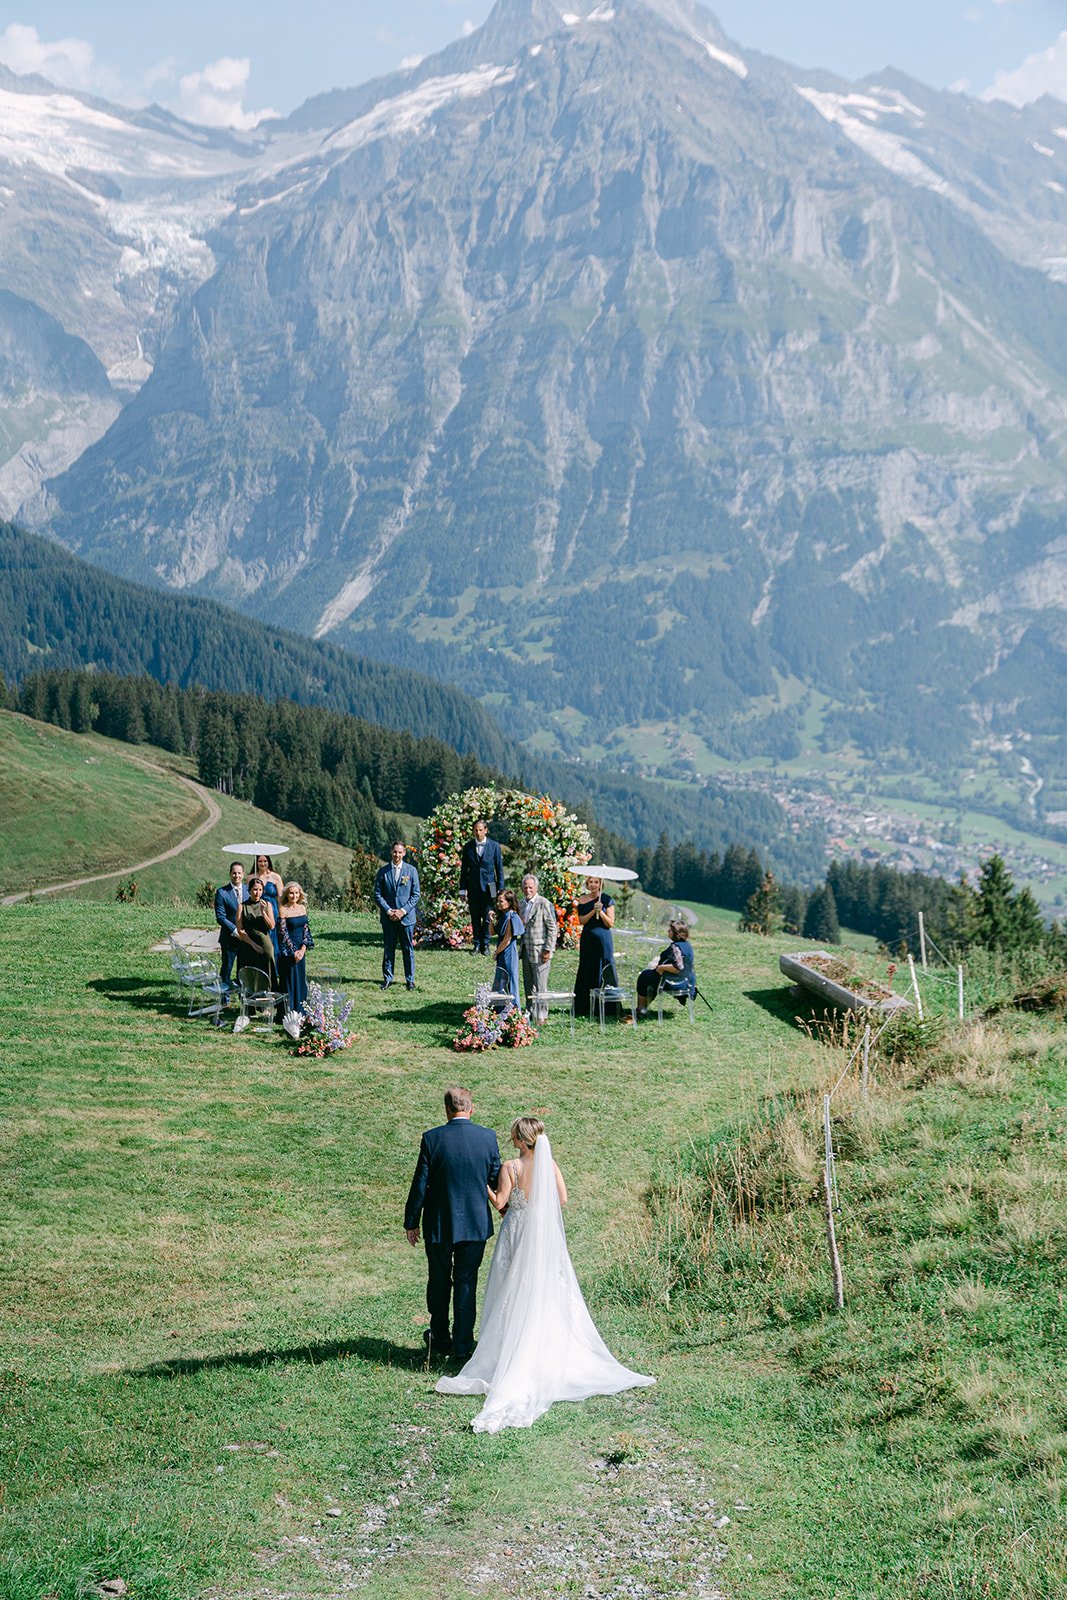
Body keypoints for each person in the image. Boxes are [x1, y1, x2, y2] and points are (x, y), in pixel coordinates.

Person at [436, 1117, 654, 1433]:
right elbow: (561, 1199)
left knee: (509, 1292)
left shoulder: (510, 1167)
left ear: (521, 1140)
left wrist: (482, 1184)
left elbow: (500, 1202)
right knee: (545, 1290)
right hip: (543, 1236)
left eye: (513, 1133)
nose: (510, 1136)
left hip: (517, 1234)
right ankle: (544, 1349)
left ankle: (505, 1354)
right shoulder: (549, 1165)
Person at [405, 1086, 503, 1362]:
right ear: (471, 1108)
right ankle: (462, 1344)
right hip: (474, 1224)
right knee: (466, 1282)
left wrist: (411, 1221)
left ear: (447, 1109)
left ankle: (439, 1337)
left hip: (439, 1224)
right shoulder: (487, 1138)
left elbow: (420, 1184)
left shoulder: (432, 1138)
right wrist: (508, 1207)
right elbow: (497, 1178)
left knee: (438, 1280)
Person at [374, 841, 420, 990]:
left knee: (408, 949)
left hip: (406, 918)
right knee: (389, 948)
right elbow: (378, 894)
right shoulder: (383, 871)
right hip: (389, 918)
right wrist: (389, 911)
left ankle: (410, 980)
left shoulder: (411, 871)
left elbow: (415, 894)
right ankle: (387, 978)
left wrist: (402, 911)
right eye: (395, 852)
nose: (397, 855)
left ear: (404, 853)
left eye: (400, 852)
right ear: (391, 852)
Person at [573, 875, 617, 1020]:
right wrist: (593, 910)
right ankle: (584, 1006)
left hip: (603, 939)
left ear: (600, 884)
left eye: (596, 882)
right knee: (587, 967)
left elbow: (610, 923)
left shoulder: (607, 899)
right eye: (591, 882)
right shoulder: (583, 899)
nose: (593, 885)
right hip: (588, 939)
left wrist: (601, 912)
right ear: (587, 884)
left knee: (604, 968)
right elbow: (581, 920)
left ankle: (607, 1007)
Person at [459, 819, 504, 955]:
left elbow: (499, 869)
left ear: (485, 830)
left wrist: (501, 889)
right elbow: (464, 870)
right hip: (473, 887)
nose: (478, 833)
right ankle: (476, 944)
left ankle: (485, 944)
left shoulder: (494, 846)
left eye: (480, 830)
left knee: (487, 916)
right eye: (476, 830)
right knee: (475, 917)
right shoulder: (468, 847)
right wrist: (462, 889)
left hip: (490, 887)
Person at [636, 920, 696, 1018]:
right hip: (686, 982)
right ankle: (643, 1008)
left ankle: (641, 1009)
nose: (668, 931)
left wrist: (661, 967)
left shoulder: (675, 947)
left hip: (673, 982)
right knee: (651, 976)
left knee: (644, 976)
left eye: (670, 930)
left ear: (676, 933)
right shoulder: (687, 945)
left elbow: (678, 967)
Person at [518, 872, 557, 1023]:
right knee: (528, 984)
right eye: (525, 887)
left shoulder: (544, 903)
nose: (528, 890)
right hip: (526, 950)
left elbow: (553, 928)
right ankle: (529, 1012)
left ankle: (542, 1015)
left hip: (540, 951)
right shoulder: (521, 904)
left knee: (541, 985)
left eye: (530, 887)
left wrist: (548, 949)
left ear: (536, 888)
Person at [277, 881, 314, 1014]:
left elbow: (306, 930)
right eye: (291, 893)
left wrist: (303, 949)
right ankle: (288, 1011)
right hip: (288, 952)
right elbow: (282, 933)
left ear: (300, 894)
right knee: (289, 979)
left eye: (296, 893)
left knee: (300, 979)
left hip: (301, 950)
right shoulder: (283, 909)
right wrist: (293, 952)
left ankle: (301, 1009)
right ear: (287, 894)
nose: (294, 896)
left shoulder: (302, 908)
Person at [236, 876, 278, 988]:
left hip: (264, 940)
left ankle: (268, 993)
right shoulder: (242, 906)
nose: (257, 893)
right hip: (248, 942)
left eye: (260, 890)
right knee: (250, 970)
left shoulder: (267, 905)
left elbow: (272, 926)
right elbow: (240, 930)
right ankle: (250, 999)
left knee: (267, 965)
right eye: (255, 889)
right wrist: (253, 944)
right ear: (249, 891)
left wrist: (263, 913)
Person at [214, 861, 247, 985]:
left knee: (243, 970)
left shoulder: (248, 889)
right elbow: (221, 917)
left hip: (246, 938)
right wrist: (235, 930)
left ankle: (242, 996)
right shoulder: (222, 892)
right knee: (227, 968)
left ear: (243, 874)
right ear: (230, 874)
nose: (236, 876)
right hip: (229, 938)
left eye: (239, 873)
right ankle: (224, 997)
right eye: (234, 873)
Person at [490, 889, 524, 1007]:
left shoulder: (512, 917)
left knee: (510, 980)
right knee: (501, 979)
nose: (498, 904)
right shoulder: (502, 915)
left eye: (501, 901)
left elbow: (507, 939)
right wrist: (490, 920)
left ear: (509, 902)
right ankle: (500, 1008)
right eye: (497, 901)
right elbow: (492, 932)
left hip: (508, 952)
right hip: (502, 951)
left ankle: (514, 1009)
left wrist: (496, 952)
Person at [252, 853, 285, 962]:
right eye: (260, 861)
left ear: (269, 862)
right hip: (257, 909)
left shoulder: (275, 877)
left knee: (272, 937)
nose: (262, 863)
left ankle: (274, 968)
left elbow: (281, 898)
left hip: (273, 909)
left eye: (265, 861)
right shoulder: (252, 877)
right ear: (256, 862)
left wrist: (282, 914)